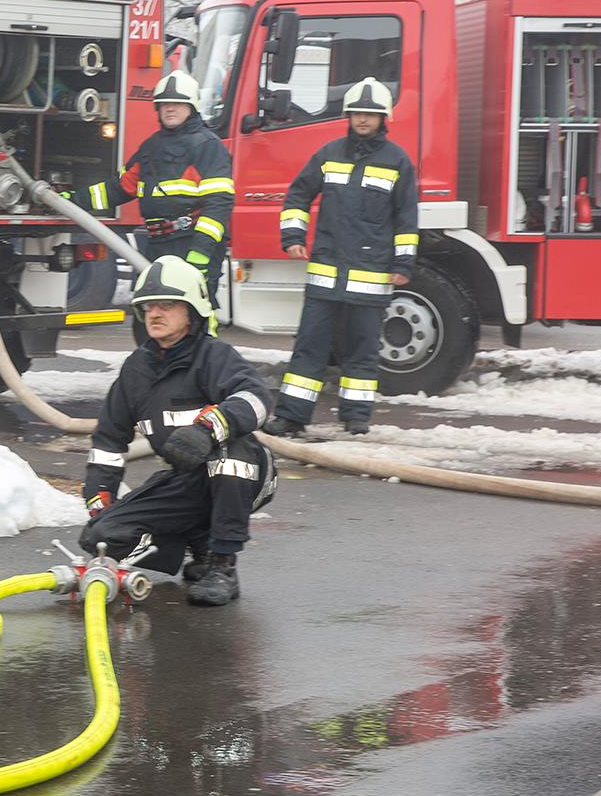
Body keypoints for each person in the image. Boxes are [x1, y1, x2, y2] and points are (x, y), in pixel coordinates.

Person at [78, 255, 278, 607]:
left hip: (243, 474)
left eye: (167, 305)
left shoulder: (213, 356)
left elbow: (257, 398)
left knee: (228, 454)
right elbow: (109, 440)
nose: (155, 313)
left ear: (192, 311)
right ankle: (197, 545)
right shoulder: (135, 371)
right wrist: (100, 497)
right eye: (148, 306)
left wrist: (208, 429)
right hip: (184, 481)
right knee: (101, 537)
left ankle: (223, 564)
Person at [265, 77, 420, 438]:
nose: (363, 119)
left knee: (362, 350)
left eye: (370, 114)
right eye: (357, 113)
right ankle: (291, 417)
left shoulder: (398, 161)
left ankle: (356, 417)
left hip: (371, 277)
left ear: (383, 118)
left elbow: (406, 219)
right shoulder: (328, 154)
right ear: (348, 116)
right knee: (309, 347)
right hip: (326, 273)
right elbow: (298, 195)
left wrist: (403, 264)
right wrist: (292, 237)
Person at [83, 69, 235, 304]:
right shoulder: (150, 147)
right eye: (164, 103)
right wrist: (72, 200)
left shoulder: (208, 146)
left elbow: (218, 205)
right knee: (149, 310)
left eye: (177, 103)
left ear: (192, 107)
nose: (170, 108)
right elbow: (118, 189)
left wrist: (199, 254)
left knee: (192, 312)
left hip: (190, 242)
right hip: (155, 244)